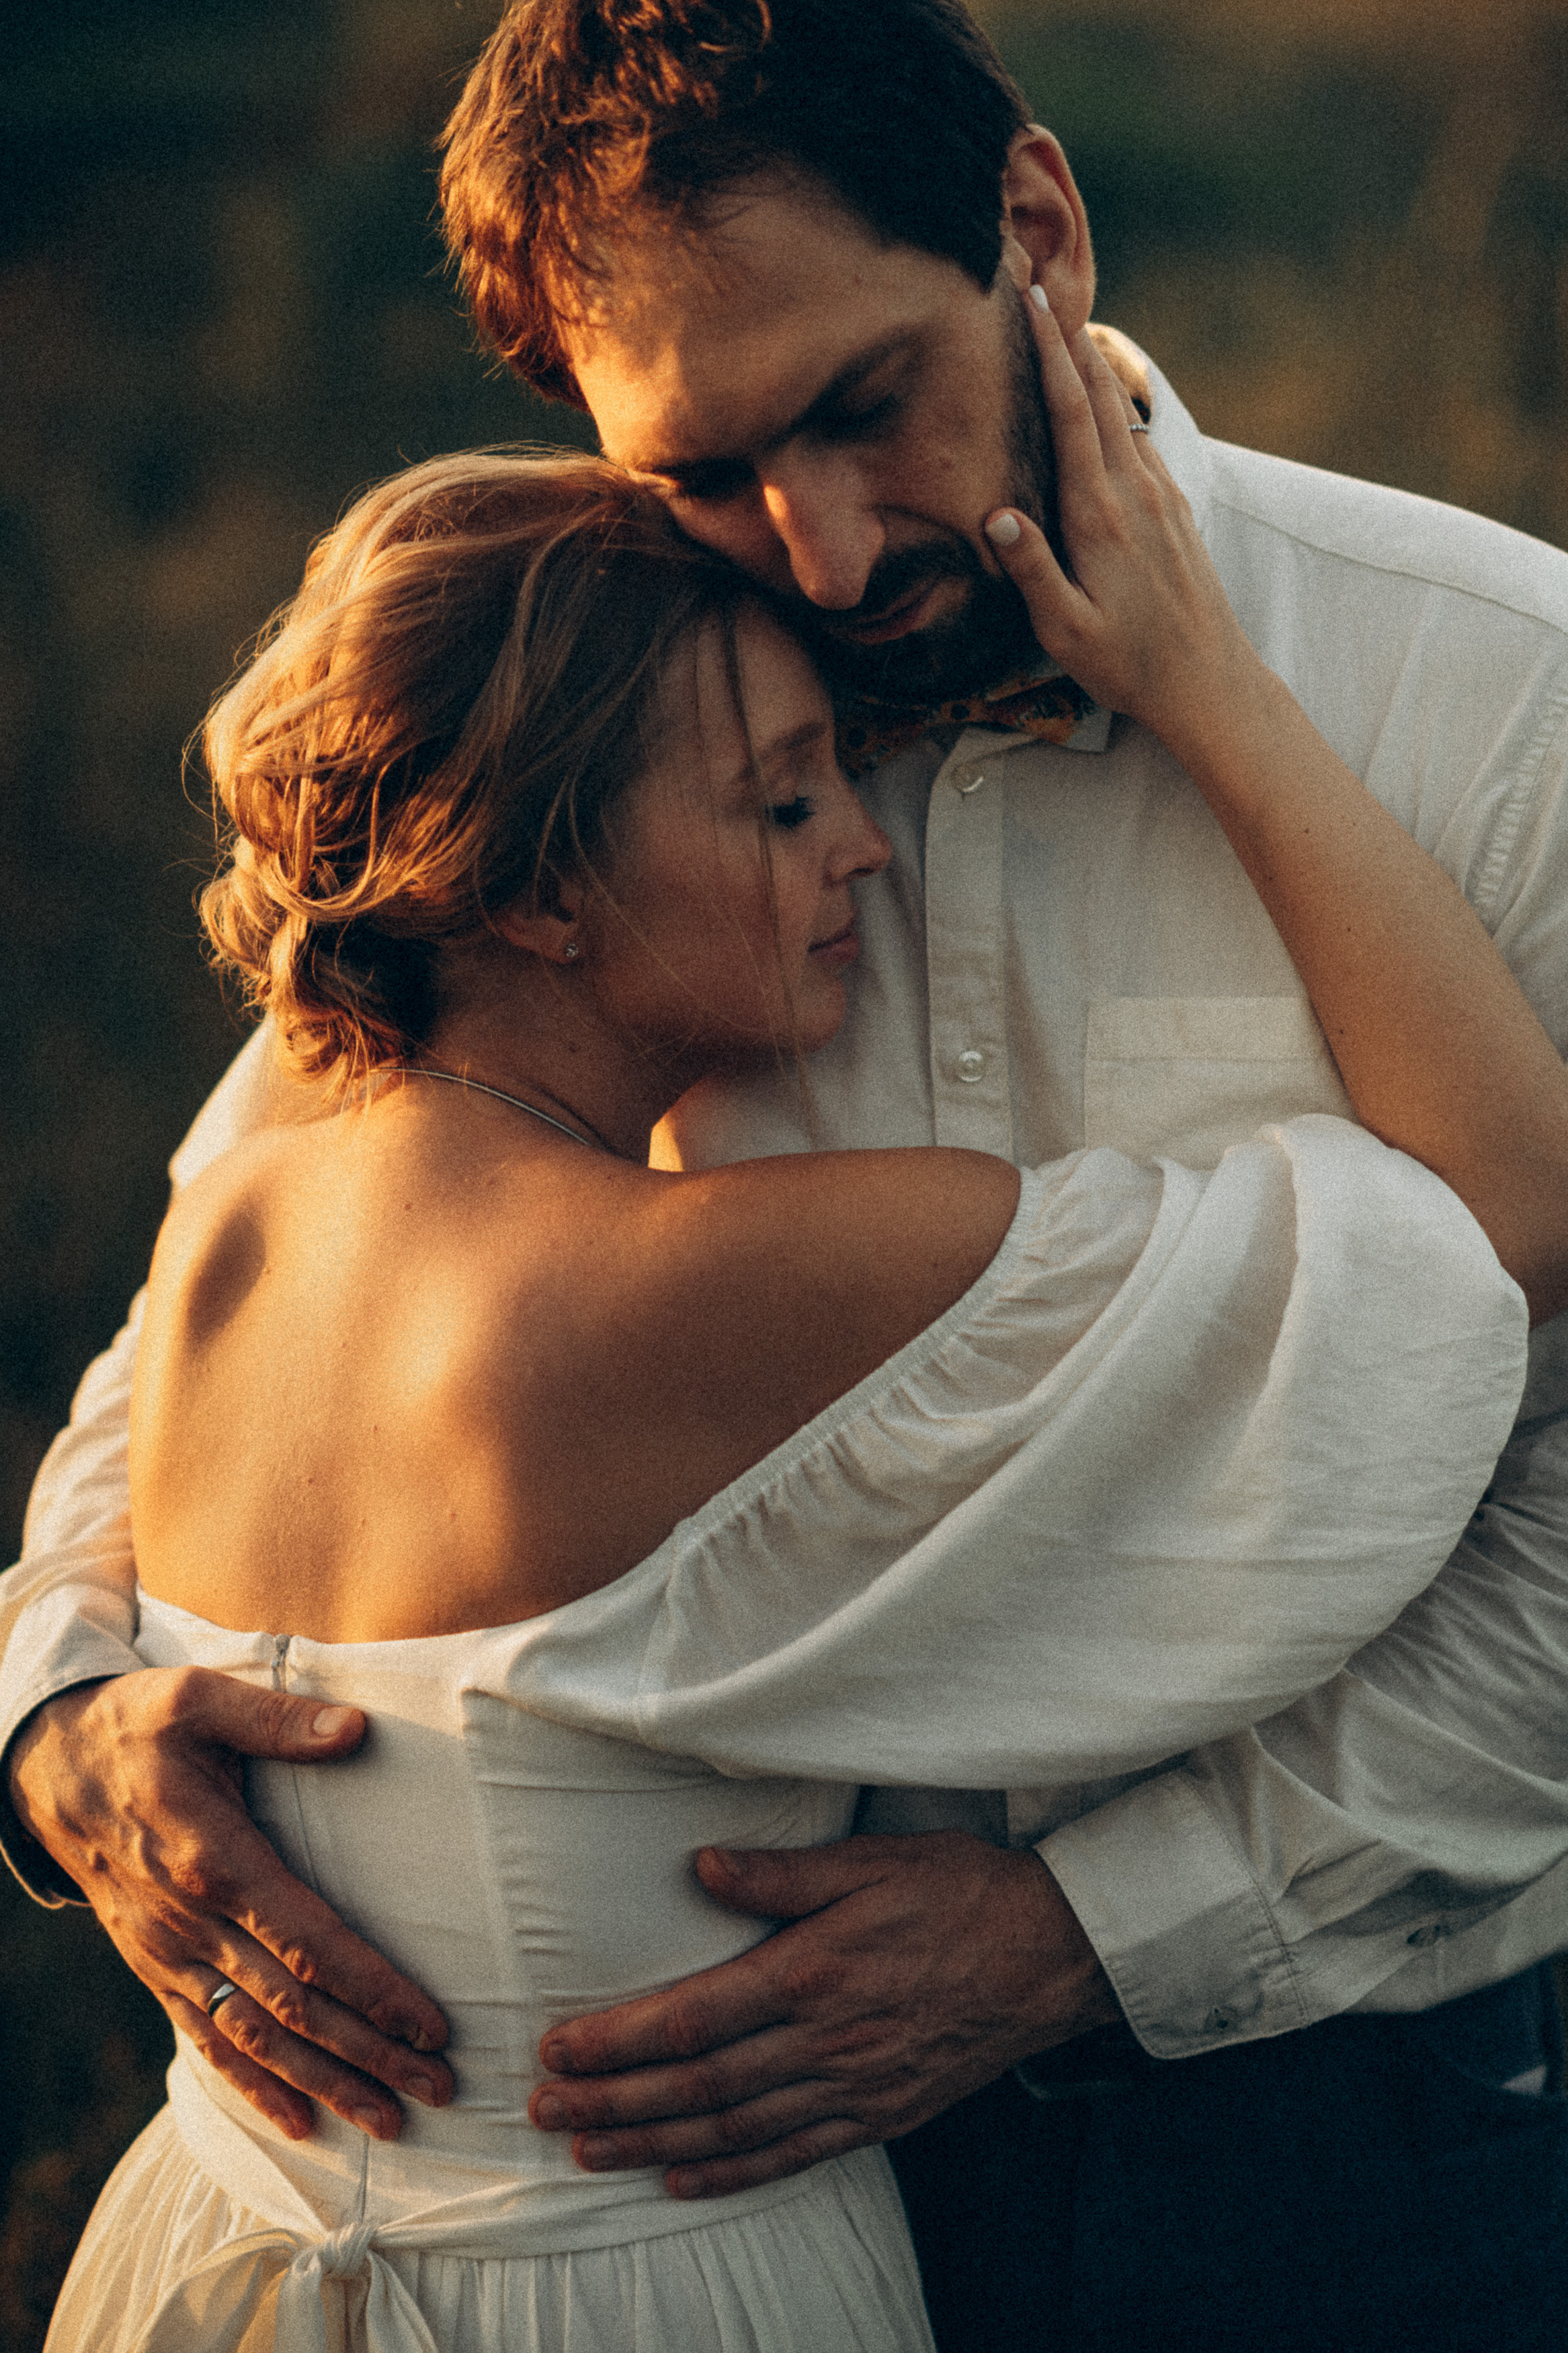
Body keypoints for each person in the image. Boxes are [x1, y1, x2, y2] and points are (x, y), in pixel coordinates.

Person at [7, 0, 1568, 2342]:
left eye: (862, 406)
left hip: (1351, 2138)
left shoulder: (1506, 701)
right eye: (707, 469)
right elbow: (272, 1239)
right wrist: (63, 1699)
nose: (821, 559)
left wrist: (1098, 1932)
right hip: (718, 2162)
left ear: (1034, 225)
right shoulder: (611, 701)